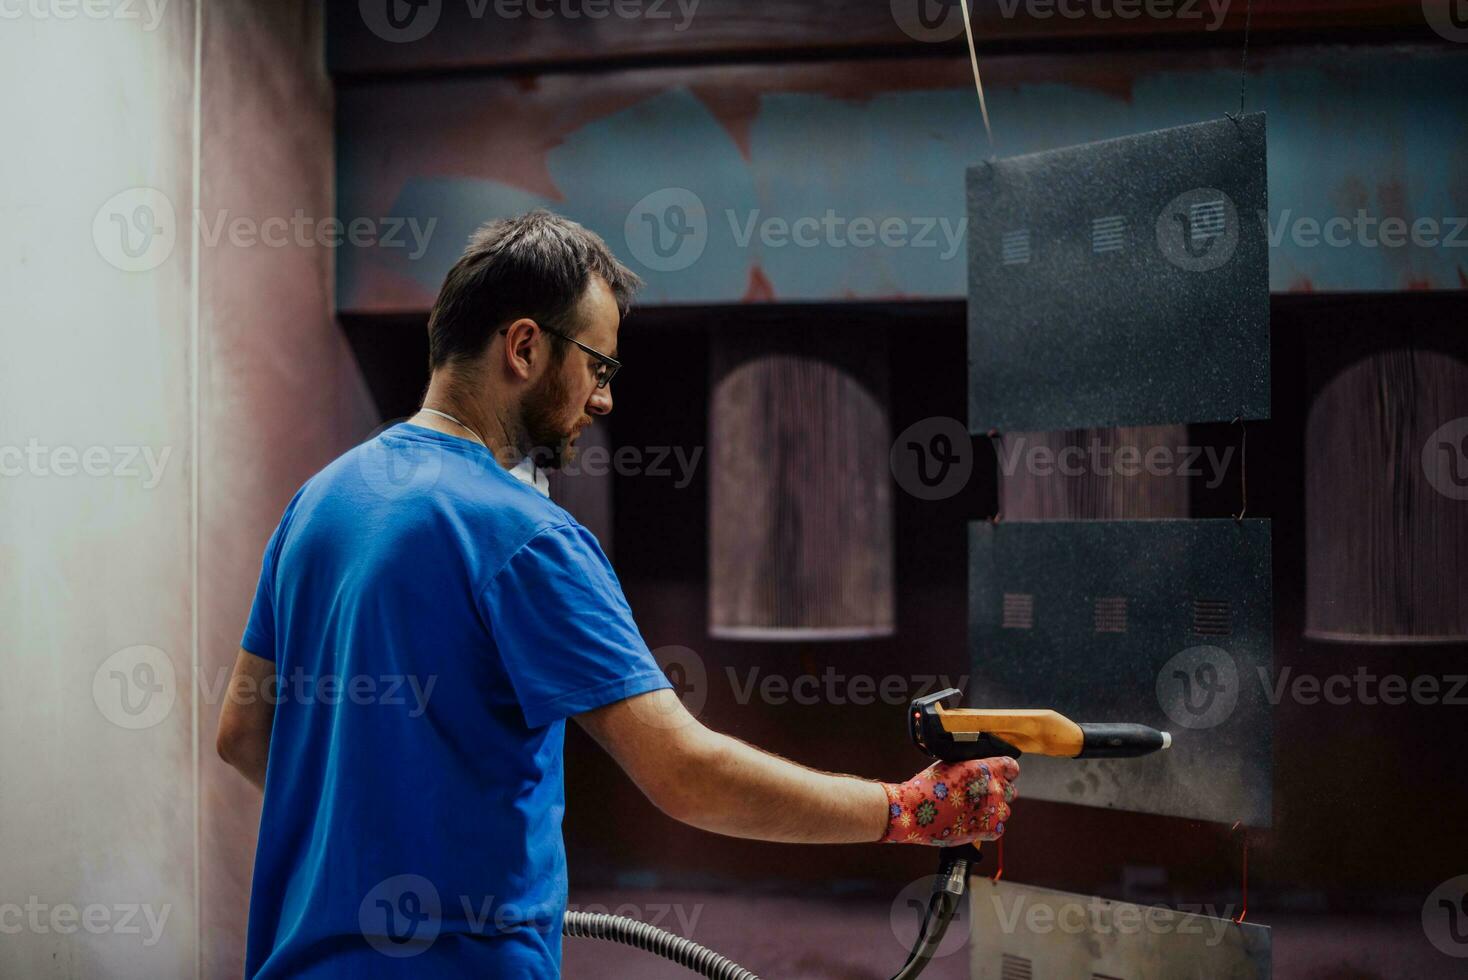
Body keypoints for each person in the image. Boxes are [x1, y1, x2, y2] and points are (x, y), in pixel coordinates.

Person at [215, 209, 1019, 978]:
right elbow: (685, 773)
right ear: (525, 347)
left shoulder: (318, 502)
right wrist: (907, 809)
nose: (603, 400)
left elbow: (244, 735)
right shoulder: (526, 536)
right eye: (597, 367)